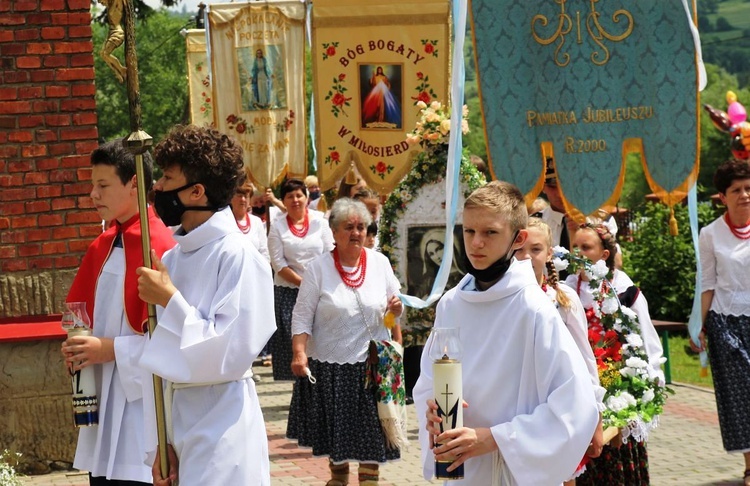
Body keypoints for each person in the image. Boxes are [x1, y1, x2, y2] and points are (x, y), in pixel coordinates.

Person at [413, 181, 599, 485]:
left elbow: (575, 405)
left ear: (518, 238)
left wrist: (495, 438)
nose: (476, 243)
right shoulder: (452, 304)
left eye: (490, 232)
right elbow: (428, 384)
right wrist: (433, 410)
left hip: (514, 469)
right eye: (470, 231)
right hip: (462, 468)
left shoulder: (534, 309)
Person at [136, 125, 276, 486]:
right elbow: (162, 357)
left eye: (167, 178)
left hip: (222, 425)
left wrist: (169, 298)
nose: (159, 188)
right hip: (179, 420)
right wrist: (161, 439)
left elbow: (228, 353)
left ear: (196, 191)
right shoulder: (175, 256)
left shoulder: (239, 254)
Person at [63, 139, 175, 486]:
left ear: (133, 184)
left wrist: (109, 350)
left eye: (103, 185)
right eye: (92, 185)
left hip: (143, 406)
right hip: (105, 397)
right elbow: (79, 314)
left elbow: (174, 340)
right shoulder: (104, 244)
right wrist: (77, 344)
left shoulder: (160, 246)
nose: (93, 195)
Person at [287, 198, 404, 486]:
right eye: (349, 227)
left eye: (361, 227)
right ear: (334, 232)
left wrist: (395, 312)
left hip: (372, 365)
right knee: (336, 435)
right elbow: (301, 316)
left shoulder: (380, 263)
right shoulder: (318, 269)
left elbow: (391, 316)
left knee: (371, 437)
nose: (356, 233)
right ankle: (337, 481)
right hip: (331, 366)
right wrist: (299, 353)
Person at [564, 222, 664, 485]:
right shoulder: (566, 288)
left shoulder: (624, 290)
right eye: (574, 246)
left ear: (604, 254)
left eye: (586, 247)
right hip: (581, 389)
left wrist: (642, 388)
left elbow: (646, 342)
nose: (577, 253)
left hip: (616, 388)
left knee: (616, 466)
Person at [517, 217, 606, 484]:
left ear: (549, 254)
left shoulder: (563, 299)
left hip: (559, 403)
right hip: (519, 407)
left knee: (562, 475)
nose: (526, 257)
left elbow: (585, 359)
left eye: (535, 249)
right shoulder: (504, 299)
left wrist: (596, 419)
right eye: (519, 249)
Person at [693, 159, 750, 486]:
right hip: (727, 325)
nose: (744, 195)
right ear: (723, 196)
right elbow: (708, 284)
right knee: (741, 396)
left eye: (748, 188)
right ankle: (749, 465)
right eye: (736, 190)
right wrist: (698, 327)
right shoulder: (710, 234)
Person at [267, 178, 334, 381]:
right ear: (283, 201)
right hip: (289, 291)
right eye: (290, 196)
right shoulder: (277, 227)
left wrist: (317, 283)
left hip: (320, 289)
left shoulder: (320, 222)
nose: (295, 200)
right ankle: (300, 387)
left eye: (299, 195)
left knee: (321, 336)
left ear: (306, 197)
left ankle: (320, 381)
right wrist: (303, 283)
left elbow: (330, 251)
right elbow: (278, 263)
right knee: (295, 341)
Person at [231, 179, 270, 264]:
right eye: (239, 195)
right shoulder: (226, 221)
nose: (243, 199)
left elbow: (264, 251)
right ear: (231, 198)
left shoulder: (256, 222)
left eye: (246, 196)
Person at [540, 156, 575, 250]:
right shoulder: (534, 222)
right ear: (542, 187)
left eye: (565, 186)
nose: (560, 194)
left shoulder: (598, 220)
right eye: (552, 187)